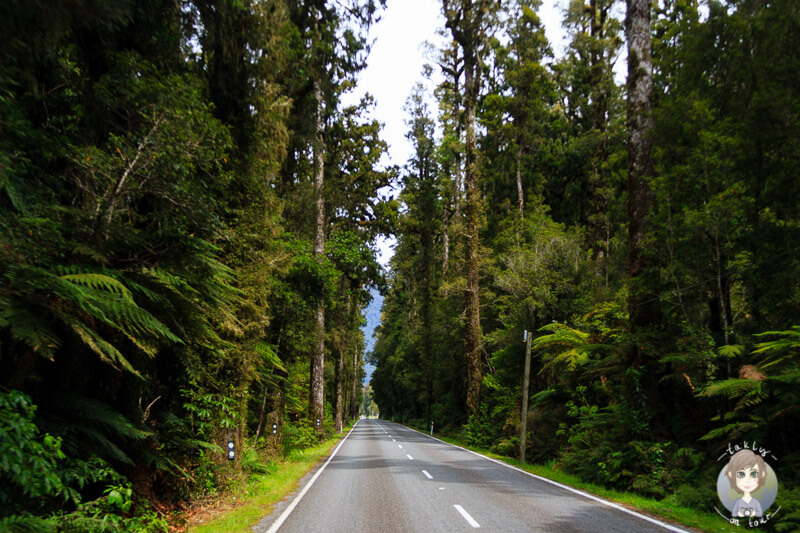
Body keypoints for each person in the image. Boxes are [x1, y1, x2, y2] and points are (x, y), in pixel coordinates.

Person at [725, 449, 766, 518]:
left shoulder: (755, 502)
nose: (747, 480)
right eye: (741, 474)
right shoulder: (738, 502)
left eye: (754, 474)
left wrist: (753, 513)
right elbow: (734, 513)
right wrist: (739, 513)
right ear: (731, 475)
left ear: (762, 474)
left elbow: (759, 513)